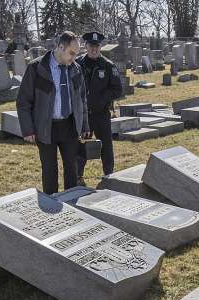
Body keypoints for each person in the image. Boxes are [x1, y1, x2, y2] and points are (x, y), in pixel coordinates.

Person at [16, 31, 89, 194]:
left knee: (72, 168)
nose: (74, 58)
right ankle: (51, 202)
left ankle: (72, 202)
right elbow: (23, 101)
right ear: (60, 47)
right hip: (46, 127)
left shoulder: (75, 69)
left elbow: (81, 99)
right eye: (71, 53)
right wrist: (28, 129)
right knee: (49, 170)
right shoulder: (37, 68)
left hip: (69, 125)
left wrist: (84, 125)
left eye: (76, 54)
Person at [76, 31, 123, 181]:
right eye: (91, 46)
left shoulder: (108, 66)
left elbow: (117, 89)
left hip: (101, 113)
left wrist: (103, 99)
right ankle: (78, 176)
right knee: (80, 146)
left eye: (97, 46)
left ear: (100, 46)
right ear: (86, 46)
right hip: (83, 115)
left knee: (106, 147)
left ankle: (109, 175)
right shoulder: (77, 64)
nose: (94, 49)